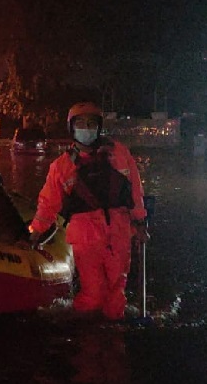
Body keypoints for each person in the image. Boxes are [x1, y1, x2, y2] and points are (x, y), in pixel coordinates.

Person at [26, 102, 149, 320]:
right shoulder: (62, 166)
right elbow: (48, 204)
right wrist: (35, 233)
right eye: (81, 123)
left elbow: (135, 191)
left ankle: (113, 343)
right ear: (72, 128)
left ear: (99, 127)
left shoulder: (119, 153)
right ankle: (87, 342)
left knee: (115, 297)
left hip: (119, 231)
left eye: (91, 123)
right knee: (92, 295)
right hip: (85, 235)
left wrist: (140, 222)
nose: (87, 128)